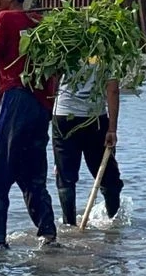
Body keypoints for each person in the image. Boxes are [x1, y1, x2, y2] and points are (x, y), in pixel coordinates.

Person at [0, 0, 58, 248]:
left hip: (16, 101)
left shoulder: (4, 19)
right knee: (32, 175)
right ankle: (48, 234)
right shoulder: (40, 21)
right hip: (42, 105)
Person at [51, 61, 124, 226]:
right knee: (108, 175)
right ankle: (114, 224)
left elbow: (52, 83)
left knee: (65, 177)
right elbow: (112, 90)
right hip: (95, 119)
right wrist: (112, 129)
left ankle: (69, 225)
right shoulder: (106, 47)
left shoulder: (60, 44)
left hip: (63, 116)